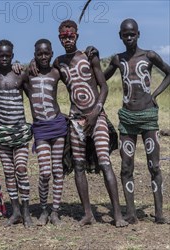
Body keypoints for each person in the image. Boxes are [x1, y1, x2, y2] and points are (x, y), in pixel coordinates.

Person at [32, 20, 128, 227]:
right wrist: (31, 62)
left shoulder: (89, 56)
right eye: (64, 37)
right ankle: (87, 214)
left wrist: (96, 111)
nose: (67, 40)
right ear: (59, 38)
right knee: (78, 165)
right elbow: (43, 70)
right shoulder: (58, 63)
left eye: (71, 36)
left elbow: (103, 86)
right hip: (75, 120)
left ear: (77, 36)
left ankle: (118, 214)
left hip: (97, 116)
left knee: (104, 162)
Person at [97, 18, 170, 224]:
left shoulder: (149, 56)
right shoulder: (118, 60)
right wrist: (91, 61)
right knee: (126, 167)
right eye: (125, 34)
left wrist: (155, 95)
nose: (129, 38)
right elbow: (101, 79)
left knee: (154, 165)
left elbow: (168, 72)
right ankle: (130, 212)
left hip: (148, 117)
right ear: (120, 36)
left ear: (138, 35)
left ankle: (159, 214)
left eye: (132, 34)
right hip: (127, 118)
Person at [0, 40, 33, 227]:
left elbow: (33, 97)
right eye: (1, 55)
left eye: (8, 55)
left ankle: (26, 212)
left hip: (20, 132)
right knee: (8, 172)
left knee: (21, 170)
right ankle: (15, 212)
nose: (4, 58)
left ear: (13, 56)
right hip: (2, 133)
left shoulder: (20, 75)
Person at [24, 39, 66, 226]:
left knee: (58, 170)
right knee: (45, 172)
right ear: (34, 54)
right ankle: (43, 209)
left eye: (46, 53)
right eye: (39, 53)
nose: (43, 56)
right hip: (40, 128)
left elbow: (78, 82)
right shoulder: (28, 75)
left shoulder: (57, 73)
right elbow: (12, 74)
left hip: (57, 125)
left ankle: (55, 211)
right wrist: (22, 65)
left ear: (51, 53)